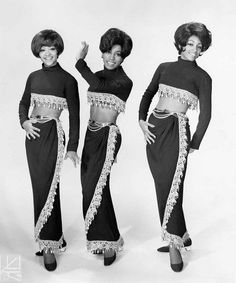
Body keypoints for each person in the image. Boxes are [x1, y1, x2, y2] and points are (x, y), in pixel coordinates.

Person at [138, 22, 212, 272]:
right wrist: (141, 120)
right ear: (181, 43)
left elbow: (206, 115)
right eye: (190, 43)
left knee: (172, 187)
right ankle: (178, 234)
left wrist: (195, 142)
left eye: (199, 46)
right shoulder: (164, 68)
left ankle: (173, 244)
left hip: (177, 131)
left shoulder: (203, 77)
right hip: (154, 130)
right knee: (162, 185)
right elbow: (148, 94)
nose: (194, 49)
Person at [18, 29, 80, 271]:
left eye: (51, 49)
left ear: (58, 50)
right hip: (33, 138)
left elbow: (75, 116)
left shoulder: (68, 80)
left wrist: (73, 147)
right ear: (38, 52)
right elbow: (24, 103)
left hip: (53, 136)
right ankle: (49, 238)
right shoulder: (33, 76)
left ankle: (50, 244)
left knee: (49, 187)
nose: (47, 54)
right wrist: (24, 122)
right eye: (42, 50)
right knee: (39, 187)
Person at [75, 28, 133, 266]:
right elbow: (96, 81)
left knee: (96, 187)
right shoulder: (97, 74)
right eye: (108, 51)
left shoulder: (124, 81)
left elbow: (97, 85)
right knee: (89, 188)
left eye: (117, 54)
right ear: (102, 52)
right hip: (91, 134)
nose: (111, 57)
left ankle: (109, 241)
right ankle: (104, 239)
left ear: (123, 57)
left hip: (107, 136)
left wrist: (80, 62)